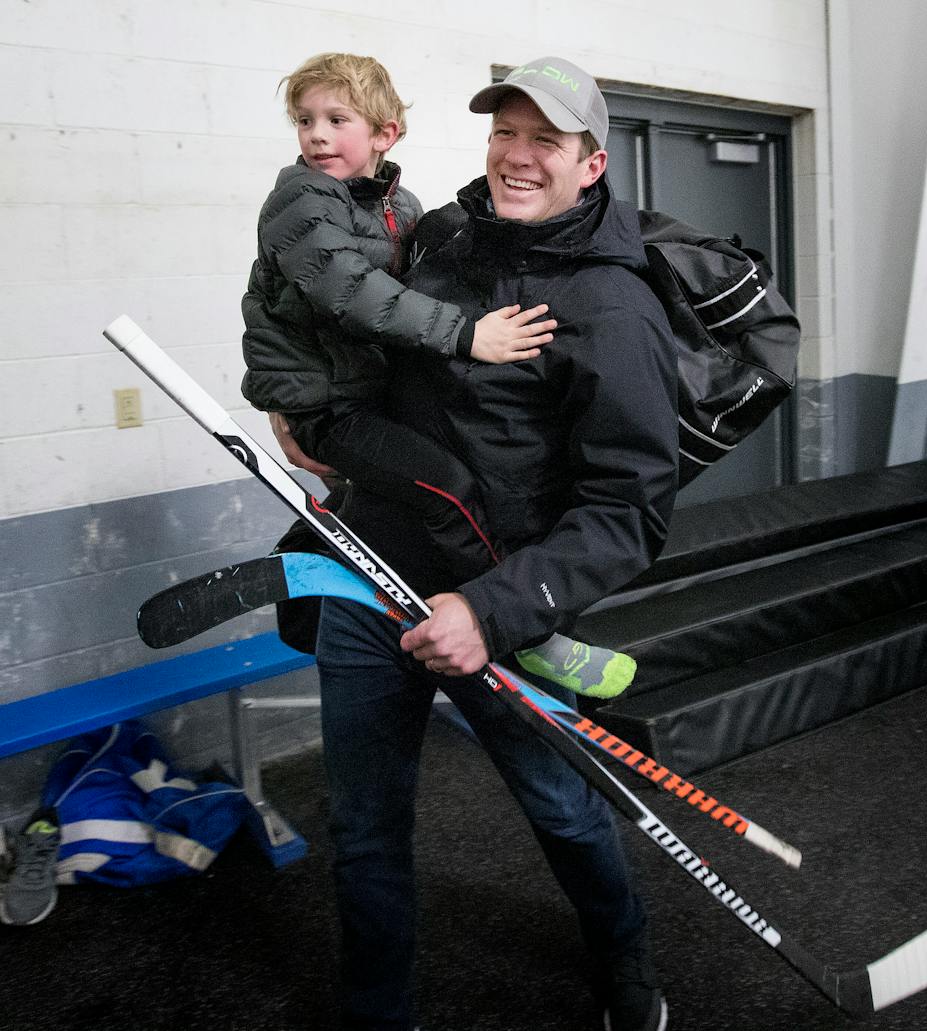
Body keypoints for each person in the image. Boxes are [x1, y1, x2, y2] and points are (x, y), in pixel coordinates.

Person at [277, 56, 679, 1031]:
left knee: (558, 805)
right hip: (367, 571)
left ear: (591, 162)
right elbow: (382, 357)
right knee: (364, 826)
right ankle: (379, 1009)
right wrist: (319, 422)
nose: (517, 154)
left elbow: (627, 505)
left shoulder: (612, 306)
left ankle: (622, 961)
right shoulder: (442, 234)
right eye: (505, 131)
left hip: (495, 597)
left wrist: (490, 610)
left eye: (545, 138)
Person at [242, 51, 634, 699]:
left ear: (384, 133)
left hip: (359, 397)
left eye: (336, 119)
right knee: (447, 489)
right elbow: (354, 294)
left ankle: (308, 560)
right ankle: (529, 636)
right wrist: (468, 334)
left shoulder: (406, 209)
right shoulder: (303, 198)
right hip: (326, 405)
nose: (315, 134)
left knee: (388, 489)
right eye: (305, 120)